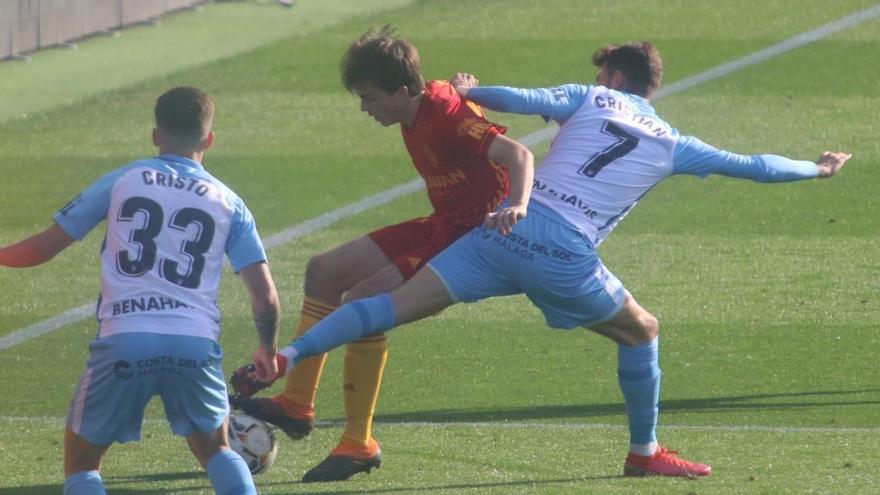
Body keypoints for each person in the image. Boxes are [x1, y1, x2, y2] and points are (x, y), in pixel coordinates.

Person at [232, 41, 851, 477]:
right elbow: (756, 168)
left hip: (495, 237)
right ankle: (644, 452)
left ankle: (286, 358)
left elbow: (517, 98)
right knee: (642, 333)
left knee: (379, 307)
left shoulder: (589, 98)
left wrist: (470, 91)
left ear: (612, 82)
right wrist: (816, 170)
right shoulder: (674, 143)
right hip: (560, 253)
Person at [229, 25, 533, 482]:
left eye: (370, 97)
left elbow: (519, 154)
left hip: (466, 240)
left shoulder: (446, 117)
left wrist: (517, 205)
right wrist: (466, 88)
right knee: (324, 271)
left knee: (362, 305)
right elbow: (452, 91)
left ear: (402, 90)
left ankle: (358, 443)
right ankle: (297, 403)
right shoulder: (424, 102)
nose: (364, 108)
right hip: (441, 222)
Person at [0, 86, 281, 495]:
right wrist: (267, 350)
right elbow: (265, 296)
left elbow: (40, 248)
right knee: (219, 450)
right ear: (209, 139)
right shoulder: (229, 202)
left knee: (83, 466)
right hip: (193, 346)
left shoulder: (124, 179)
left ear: (155, 136)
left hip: (124, 343)